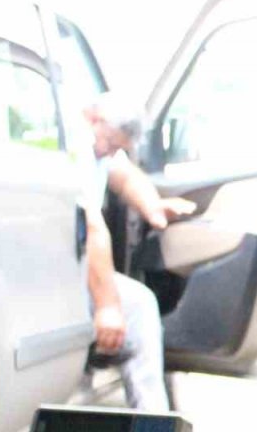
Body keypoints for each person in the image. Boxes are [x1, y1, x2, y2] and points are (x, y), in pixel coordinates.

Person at [82, 93, 195, 412]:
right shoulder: (77, 149)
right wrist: (107, 306)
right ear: (93, 119)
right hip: (58, 270)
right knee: (140, 307)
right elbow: (91, 228)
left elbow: (127, 176)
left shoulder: (99, 149)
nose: (109, 151)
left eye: (118, 147)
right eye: (109, 143)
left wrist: (154, 207)